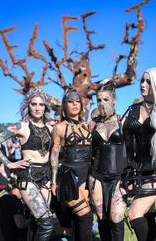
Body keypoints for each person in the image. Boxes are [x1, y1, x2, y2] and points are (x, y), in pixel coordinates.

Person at [0, 87, 55, 241]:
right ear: (27, 105)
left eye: (41, 104)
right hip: (28, 175)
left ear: (45, 107)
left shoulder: (50, 127)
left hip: (46, 175)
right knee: (46, 222)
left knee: (36, 220)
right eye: (33, 104)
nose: (37, 108)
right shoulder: (21, 126)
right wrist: (9, 164)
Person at [122, 67, 156, 241]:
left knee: (134, 213)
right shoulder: (133, 109)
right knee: (148, 213)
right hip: (138, 170)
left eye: (148, 81)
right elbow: (127, 145)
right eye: (142, 80)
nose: (143, 84)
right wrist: (128, 172)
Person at [50, 89, 94, 241]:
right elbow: (54, 154)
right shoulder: (59, 127)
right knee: (86, 217)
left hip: (87, 173)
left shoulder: (87, 126)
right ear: (64, 105)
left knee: (78, 219)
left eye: (77, 101)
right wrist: (54, 181)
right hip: (69, 176)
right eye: (70, 101)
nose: (74, 104)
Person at [89, 82, 127, 241]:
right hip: (96, 175)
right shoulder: (94, 124)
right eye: (98, 100)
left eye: (105, 99)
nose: (101, 103)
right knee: (102, 217)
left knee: (116, 218)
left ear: (113, 100)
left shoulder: (122, 121)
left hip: (118, 176)